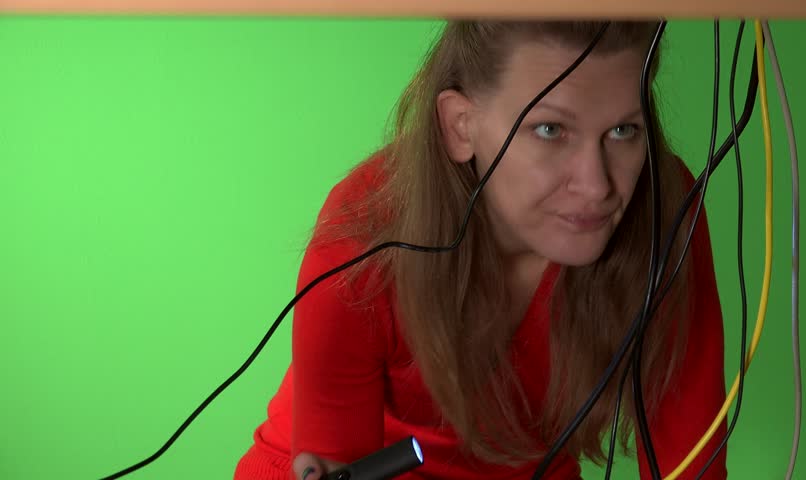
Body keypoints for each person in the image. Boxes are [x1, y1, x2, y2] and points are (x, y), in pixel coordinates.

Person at [234, 19, 728, 480]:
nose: (596, 185)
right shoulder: (365, 229)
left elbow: (692, 460)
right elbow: (341, 464)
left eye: (623, 130)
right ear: (460, 125)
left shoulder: (663, 204)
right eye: (550, 129)